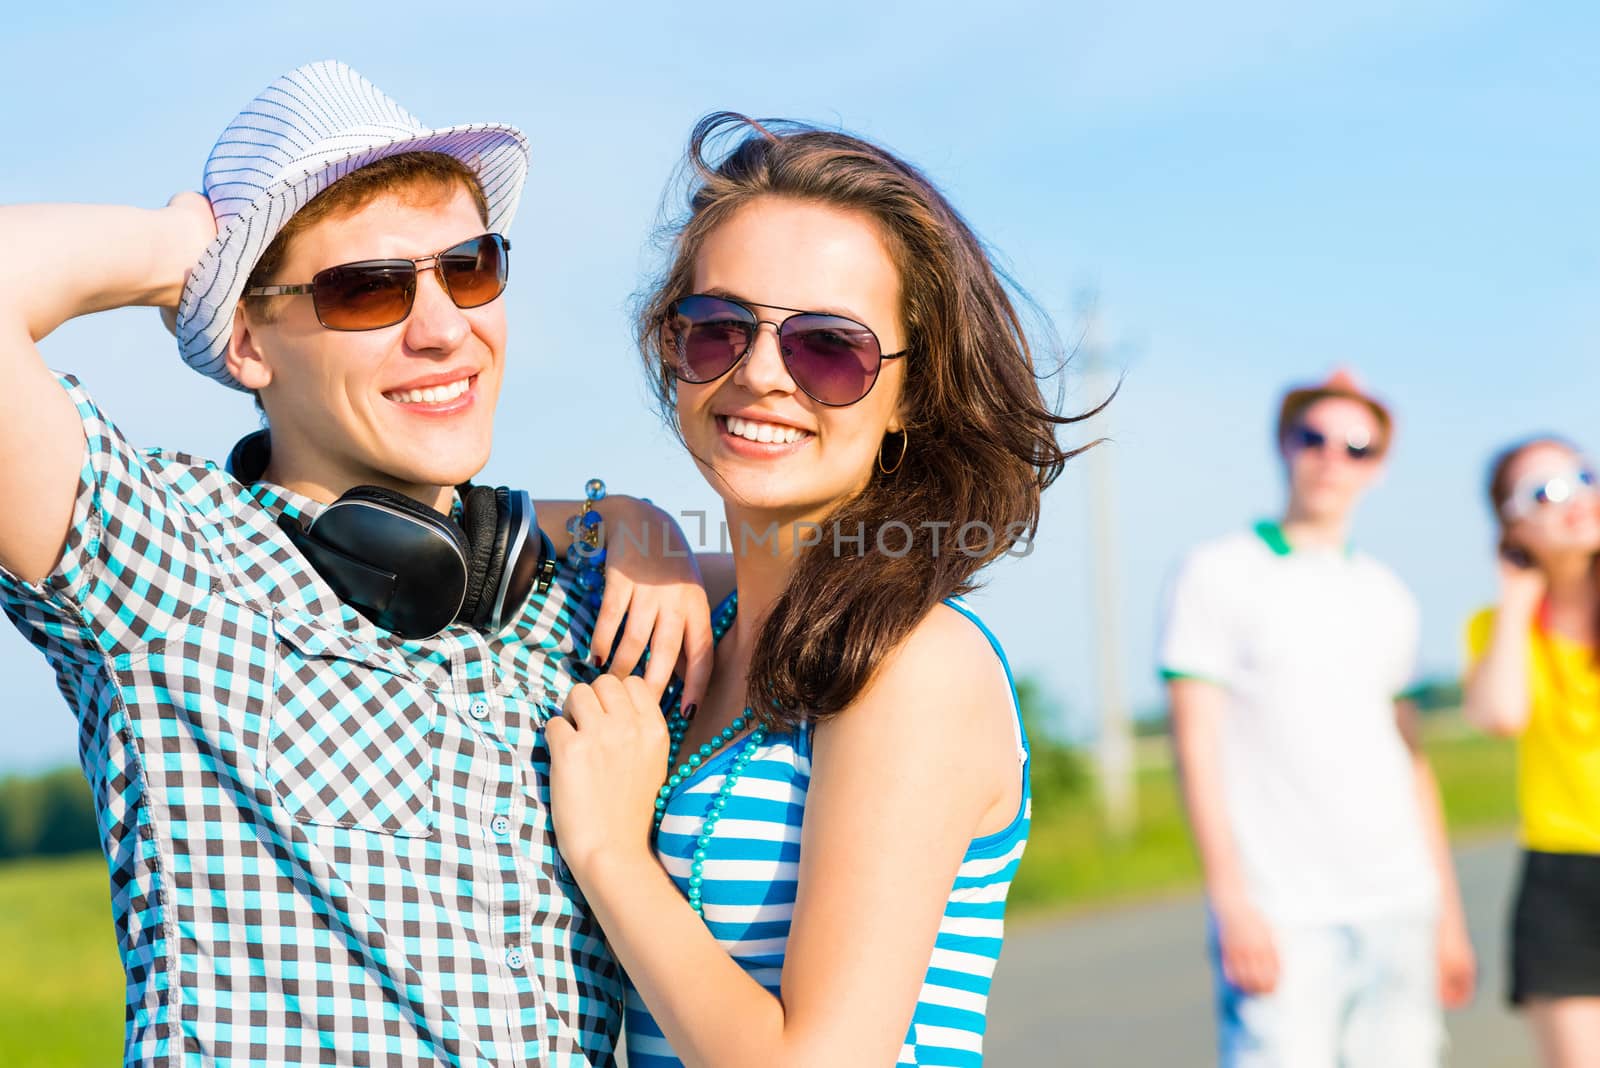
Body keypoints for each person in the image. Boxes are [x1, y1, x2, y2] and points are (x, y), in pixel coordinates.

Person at [0, 61, 714, 1066]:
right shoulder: (169, 569)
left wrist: (633, 522)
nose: (443, 329)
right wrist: (182, 251)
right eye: (365, 290)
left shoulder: (585, 602)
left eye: (467, 268)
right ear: (248, 342)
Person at [541, 113, 1081, 1067]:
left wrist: (612, 855)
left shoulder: (910, 665)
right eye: (717, 330)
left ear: (913, 391)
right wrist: (621, 517)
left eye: (828, 349)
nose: (758, 375)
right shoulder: (696, 609)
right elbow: (436, 521)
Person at [1159, 369, 1476, 1066]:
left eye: (1357, 447)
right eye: (1315, 438)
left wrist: (1448, 916)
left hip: (1401, 903)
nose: (1334, 458)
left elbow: (1411, 761)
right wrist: (1232, 903)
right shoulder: (1217, 571)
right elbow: (1196, 744)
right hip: (1286, 912)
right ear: (1285, 444)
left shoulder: (1388, 594)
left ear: (1381, 468)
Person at [1463, 436, 1600, 1068]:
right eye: (1547, 491)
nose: (1577, 499)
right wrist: (1518, 597)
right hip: (1562, 879)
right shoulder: (1496, 630)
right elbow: (1501, 714)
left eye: (1584, 476)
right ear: (1513, 525)